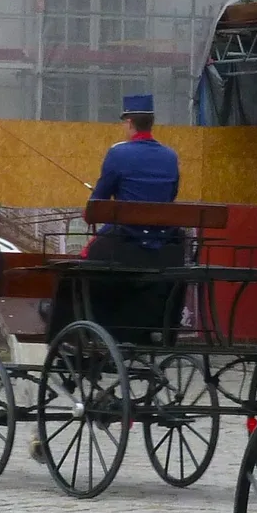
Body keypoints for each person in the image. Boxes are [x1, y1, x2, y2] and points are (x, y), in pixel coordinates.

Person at [76, 93, 185, 339]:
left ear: (129, 122)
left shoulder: (118, 153)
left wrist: (89, 212)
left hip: (125, 240)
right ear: (151, 122)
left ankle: (91, 322)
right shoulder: (170, 156)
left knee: (84, 262)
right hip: (164, 244)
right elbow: (171, 194)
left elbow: (99, 201)